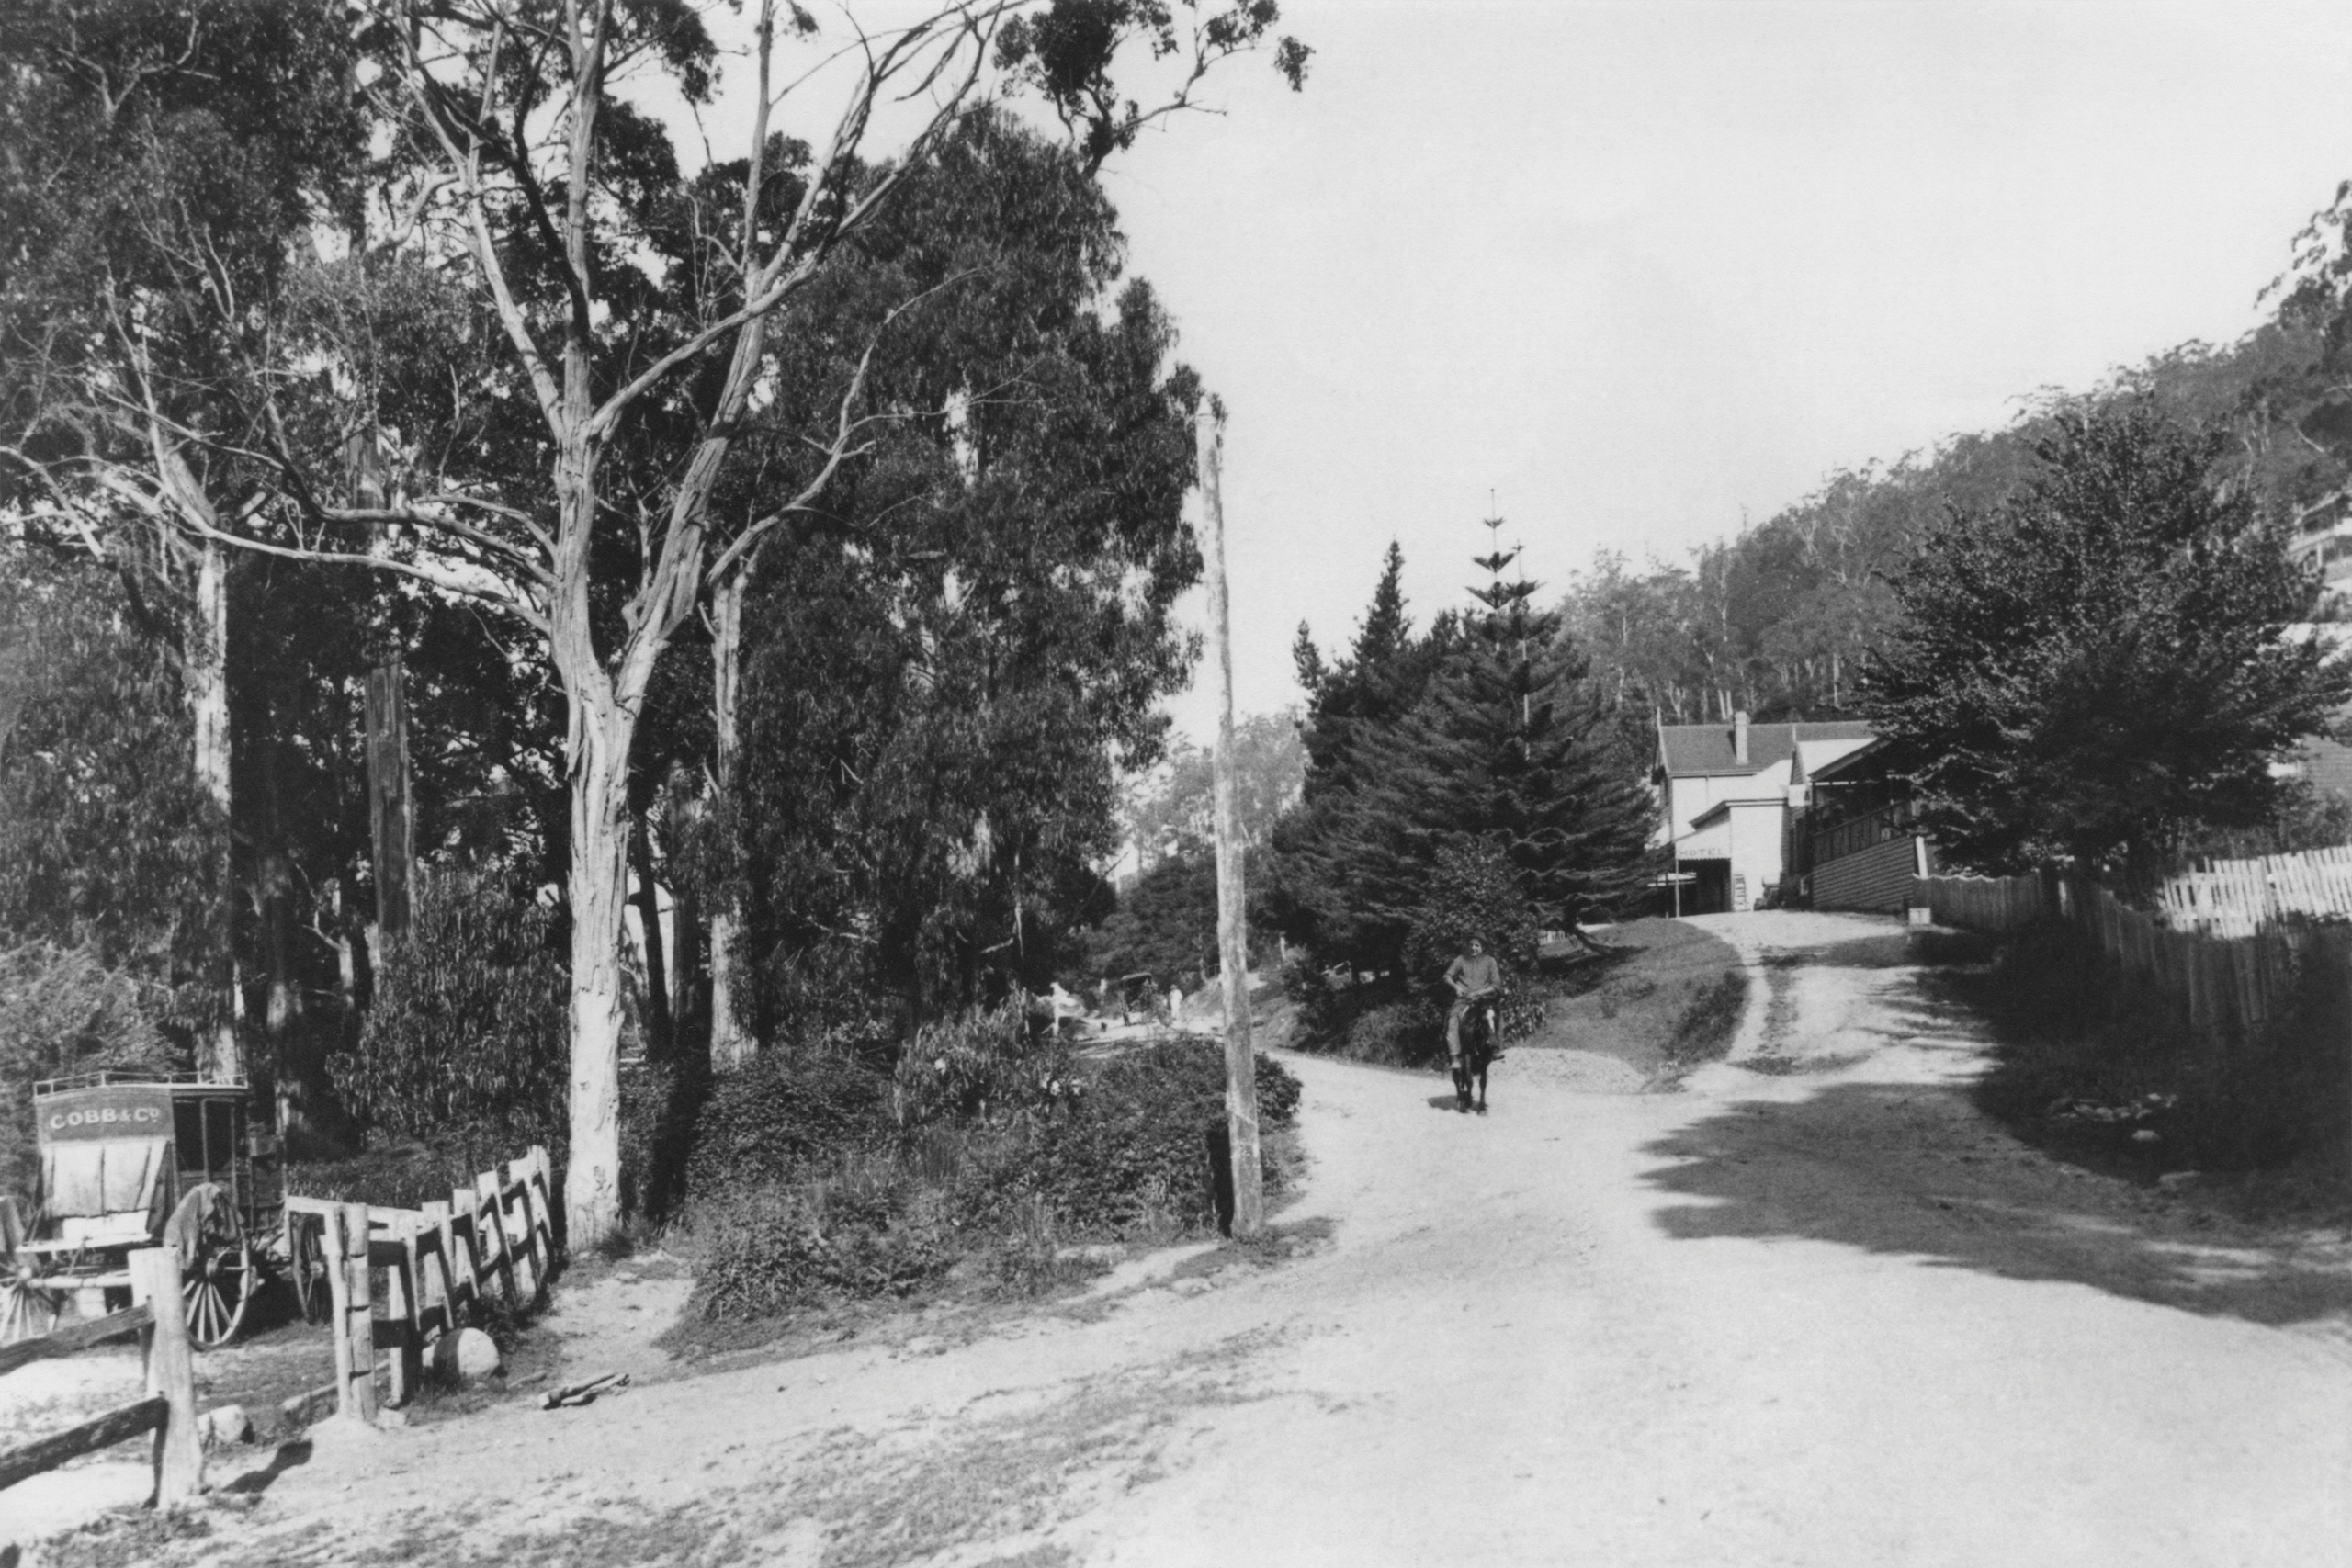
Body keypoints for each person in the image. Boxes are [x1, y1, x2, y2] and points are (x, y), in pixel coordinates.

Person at [1444, 938, 1502, 1065]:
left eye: (1477, 945)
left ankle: (1495, 1048)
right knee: (1453, 1020)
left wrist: (1478, 993)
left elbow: (1496, 985)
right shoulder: (1461, 959)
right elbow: (1447, 976)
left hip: (1483, 1000)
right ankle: (1454, 1057)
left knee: (1492, 1017)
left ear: (1482, 947)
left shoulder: (1490, 961)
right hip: (1464, 1000)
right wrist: (1456, 987)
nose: (1473, 948)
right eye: (1471, 945)